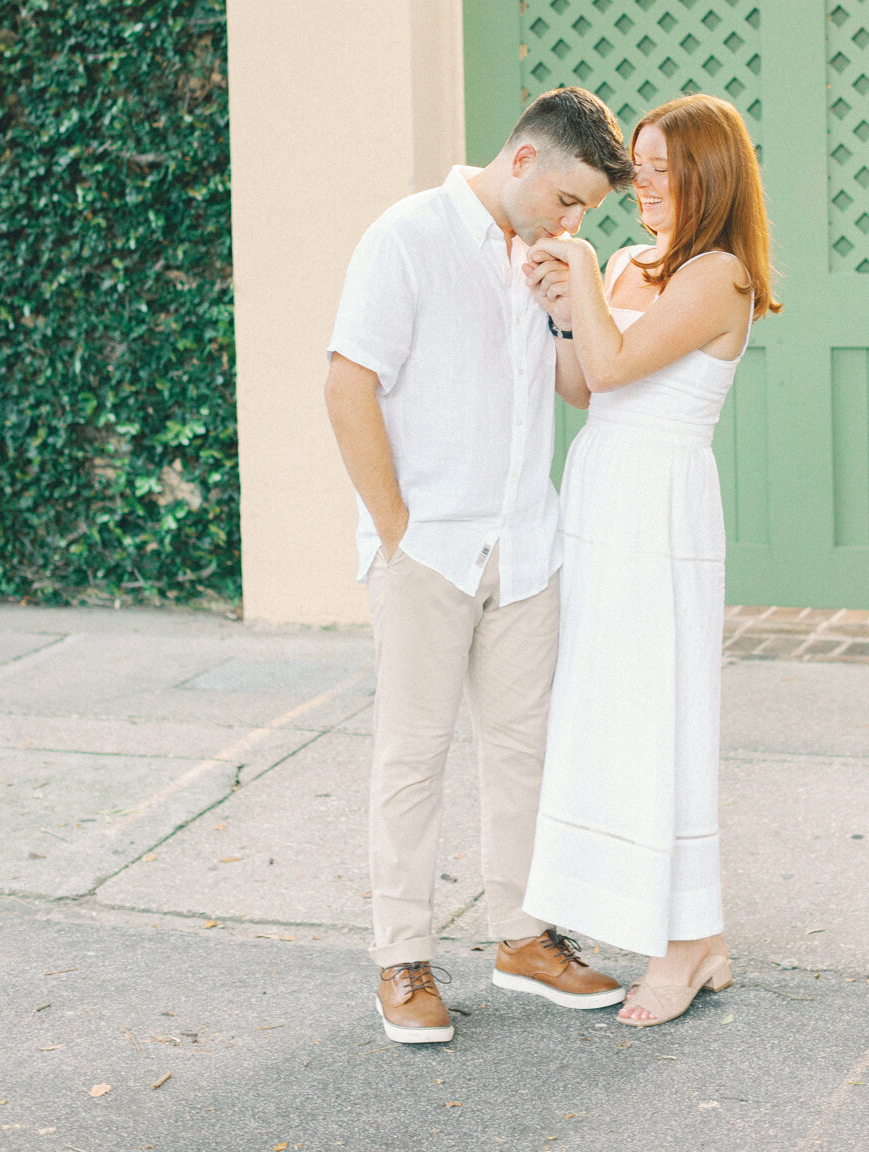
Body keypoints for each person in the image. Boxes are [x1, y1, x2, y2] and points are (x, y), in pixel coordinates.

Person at [323, 88, 635, 1045]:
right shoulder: (406, 236)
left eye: (590, 211)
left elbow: (580, 390)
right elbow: (348, 386)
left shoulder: (546, 262)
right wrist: (396, 528)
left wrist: (568, 304)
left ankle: (523, 937)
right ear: (525, 161)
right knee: (412, 757)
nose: (575, 222)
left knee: (523, 754)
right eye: (570, 200)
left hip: (526, 546)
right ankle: (401, 958)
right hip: (428, 549)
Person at [521, 93, 779, 1028]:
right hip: (600, 493)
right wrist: (558, 308)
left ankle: (686, 945)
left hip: (664, 505)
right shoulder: (630, 261)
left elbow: (625, 366)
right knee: (608, 709)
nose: (644, 187)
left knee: (663, 710)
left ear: (711, 175)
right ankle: (685, 935)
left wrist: (581, 274)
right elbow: (587, 384)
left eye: (664, 169)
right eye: (639, 167)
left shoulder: (720, 276)